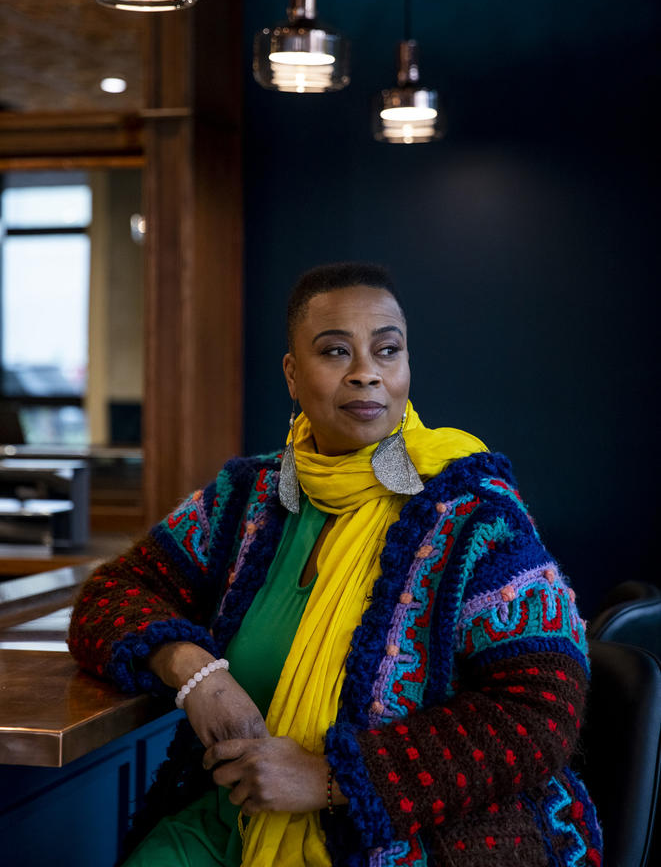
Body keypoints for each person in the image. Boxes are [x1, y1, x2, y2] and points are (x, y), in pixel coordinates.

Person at [68, 262, 602, 867]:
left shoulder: (476, 517)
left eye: (387, 350)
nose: (367, 373)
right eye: (335, 351)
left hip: (415, 838)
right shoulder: (246, 500)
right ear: (293, 375)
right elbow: (111, 593)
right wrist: (194, 671)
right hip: (237, 821)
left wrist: (329, 779)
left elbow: (541, 712)